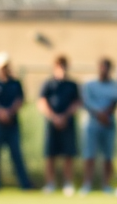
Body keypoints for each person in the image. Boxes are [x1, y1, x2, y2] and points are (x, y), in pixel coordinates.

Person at [0, 52, 33, 192]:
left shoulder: (15, 83)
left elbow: (20, 99)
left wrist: (9, 112)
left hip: (12, 125)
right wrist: (0, 113)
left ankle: (24, 183)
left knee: (16, 154)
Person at [38, 54, 81, 196]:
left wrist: (64, 116)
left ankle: (68, 183)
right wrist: (54, 117)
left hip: (67, 123)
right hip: (52, 124)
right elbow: (42, 102)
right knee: (50, 155)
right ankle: (50, 184)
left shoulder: (72, 84)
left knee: (68, 155)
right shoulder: (48, 84)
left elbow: (77, 103)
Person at [81, 57, 117, 195]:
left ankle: (106, 185)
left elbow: (116, 102)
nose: (104, 70)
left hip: (109, 123)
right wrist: (99, 114)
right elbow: (86, 102)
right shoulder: (89, 84)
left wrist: (106, 114)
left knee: (108, 156)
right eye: (102, 67)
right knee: (89, 155)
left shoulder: (114, 85)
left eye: (107, 67)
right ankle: (87, 184)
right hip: (92, 124)